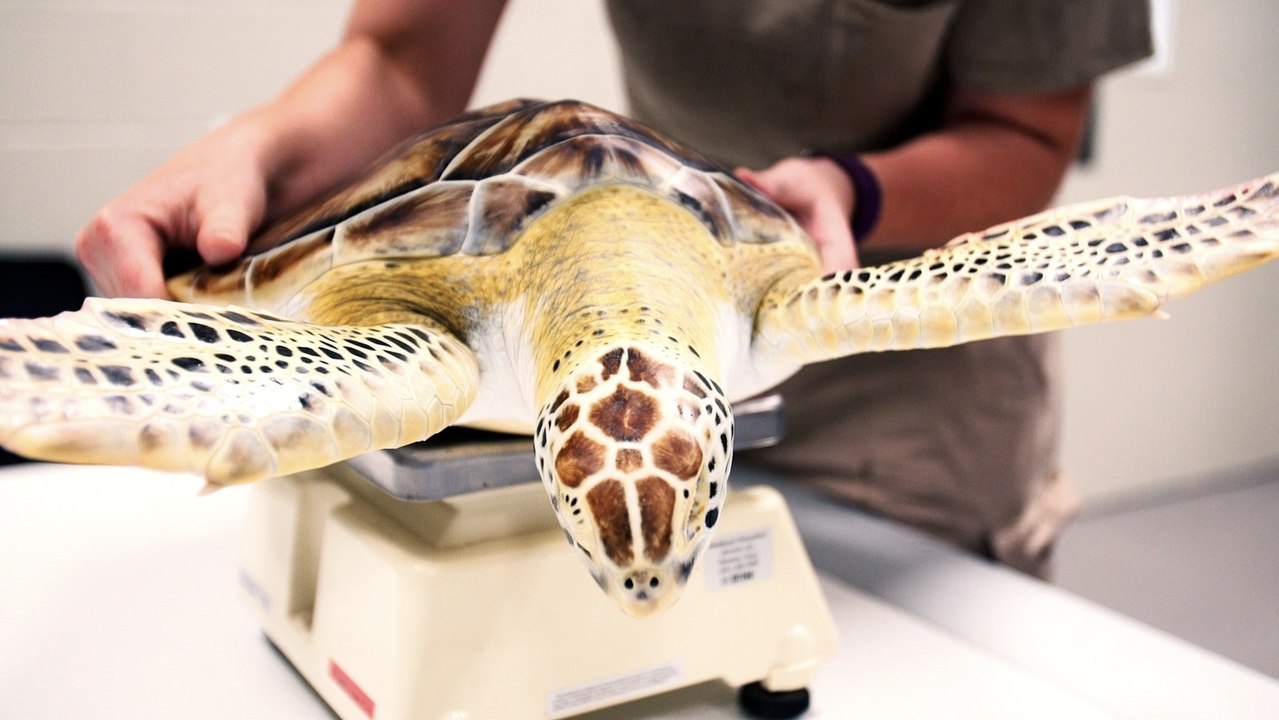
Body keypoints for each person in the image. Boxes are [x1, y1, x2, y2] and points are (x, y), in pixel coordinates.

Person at [76, 0, 1152, 578]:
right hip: (575, 290)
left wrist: (848, 191)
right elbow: (402, 55)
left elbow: (1026, 133)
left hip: (904, 413)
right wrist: (256, 145)